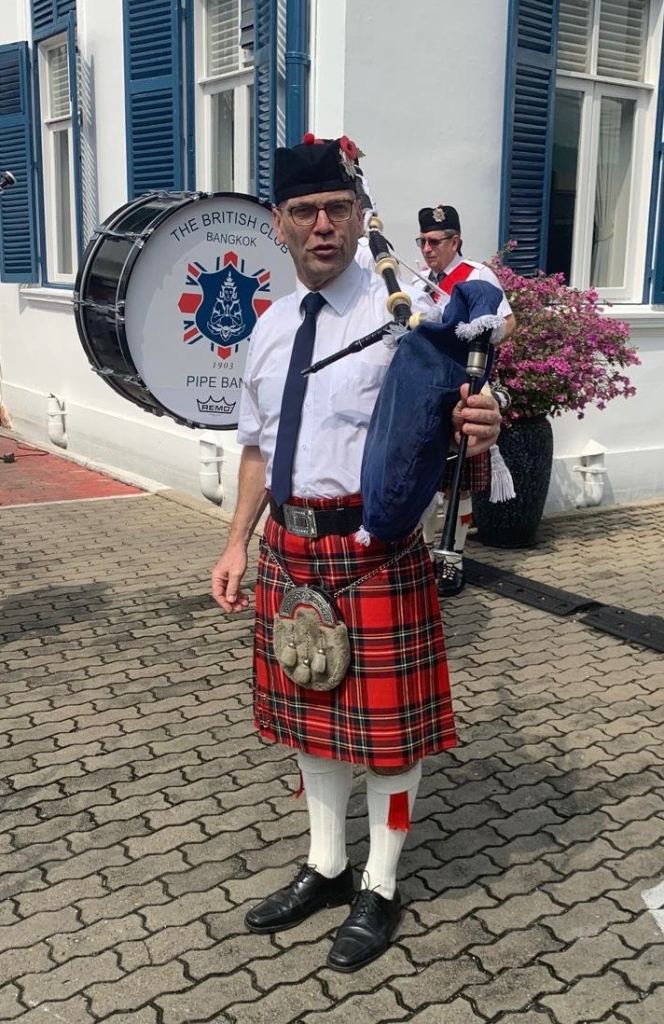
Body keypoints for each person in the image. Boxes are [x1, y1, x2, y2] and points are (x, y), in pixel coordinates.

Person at [211, 137, 501, 973]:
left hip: (375, 553)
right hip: (288, 549)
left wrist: (484, 418)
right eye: (304, 212)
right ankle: (328, 864)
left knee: (389, 739)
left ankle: (380, 881)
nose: (323, 226)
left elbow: (470, 393)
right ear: (279, 224)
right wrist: (235, 542)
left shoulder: (405, 309)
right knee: (311, 721)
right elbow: (258, 449)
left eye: (338, 209)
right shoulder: (271, 328)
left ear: (359, 215)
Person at [416, 204, 515, 596]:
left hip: (466, 383)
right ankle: (422, 556)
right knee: (424, 475)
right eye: (422, 241)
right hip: (428, 387)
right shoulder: (420, 281)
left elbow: (508, 321)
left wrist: (482, 335)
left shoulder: (477, 275)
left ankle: (451, 560)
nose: (427, 249)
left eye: (434, 241)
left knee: (460, 483)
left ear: (454, 241)